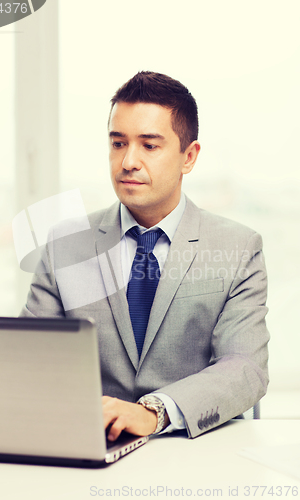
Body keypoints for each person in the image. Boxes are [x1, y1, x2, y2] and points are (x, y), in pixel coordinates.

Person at [20, 71, 269, 440]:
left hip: (194, 452)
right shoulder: (64, 245)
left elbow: (245, 367)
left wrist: (154, 412)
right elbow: (26, 360)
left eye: (149, 146)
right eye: (118, 143)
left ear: (189, 156)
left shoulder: (237, 248)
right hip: (89, 446)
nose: (128, 162)